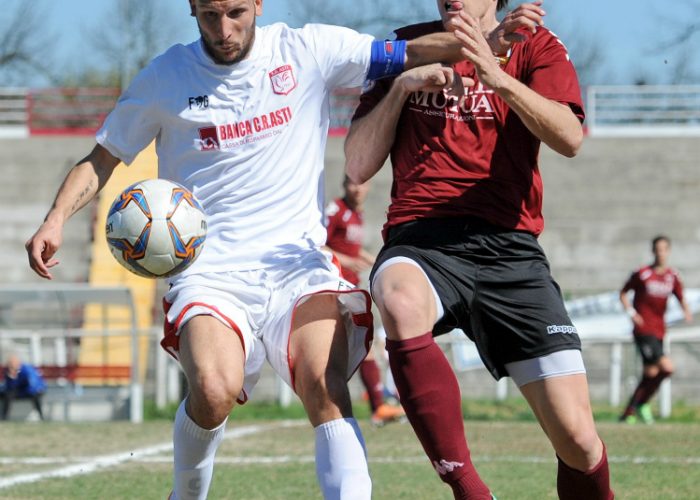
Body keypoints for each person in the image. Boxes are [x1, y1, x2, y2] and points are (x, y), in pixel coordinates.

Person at [25, 1, 536, 498]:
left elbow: (406, 51)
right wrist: (55, 218)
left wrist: (485, 43)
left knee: (325, 383)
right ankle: (185, 493)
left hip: (299, 267)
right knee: (213, 388)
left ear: (258, 5)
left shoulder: (306, 50)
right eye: (209, 15)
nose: (223, 29)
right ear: (192, 8)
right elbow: (103, 157)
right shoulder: (166, 76)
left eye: (235, 13)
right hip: (210, 273)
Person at [344, 1, 614, 499]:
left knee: (579, 442)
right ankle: (470, 490)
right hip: (422, 239)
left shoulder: (538, 46)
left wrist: (498, 77)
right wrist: (402, 86)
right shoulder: (406, 46)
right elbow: (358, 165)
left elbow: (571, 137)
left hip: (509, 248)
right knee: (397, 295)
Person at [324, 177, 405, 426]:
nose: (356, 189)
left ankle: (378, 405)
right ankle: (376, 406)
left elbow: (350, 249)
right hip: (332, 286)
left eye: (361, 184)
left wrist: (377, 259)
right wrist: (346, 262)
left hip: (350, 289)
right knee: (358, 346)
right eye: (351, 184)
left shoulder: (356, 214)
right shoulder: (335, 210)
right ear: (344, 185)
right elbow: (318, 244)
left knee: (363, 344)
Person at [618, 235, 692, 424]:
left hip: (660, 330)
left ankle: (630, 412)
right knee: (667, 368)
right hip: (643, 330)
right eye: (657, 249)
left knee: (651, 373)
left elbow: (680, 296)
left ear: (668, 251)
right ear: (653, 251)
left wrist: (686, 311)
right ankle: (641, 404)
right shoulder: (642, 273)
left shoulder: (672, 276)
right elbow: (623, 293)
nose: (661, 253)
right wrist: (632, 313)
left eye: (664, 249)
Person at [1, 354, 46, 421]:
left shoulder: (26, 369)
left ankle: (41, 417)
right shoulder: (8, 371)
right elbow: (9, 386)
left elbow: (33, 384)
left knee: (35, 396)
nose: (10, 366)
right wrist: (11, 377)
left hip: (31, 390)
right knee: (7, 395)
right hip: (20, 391)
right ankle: (4, 418)